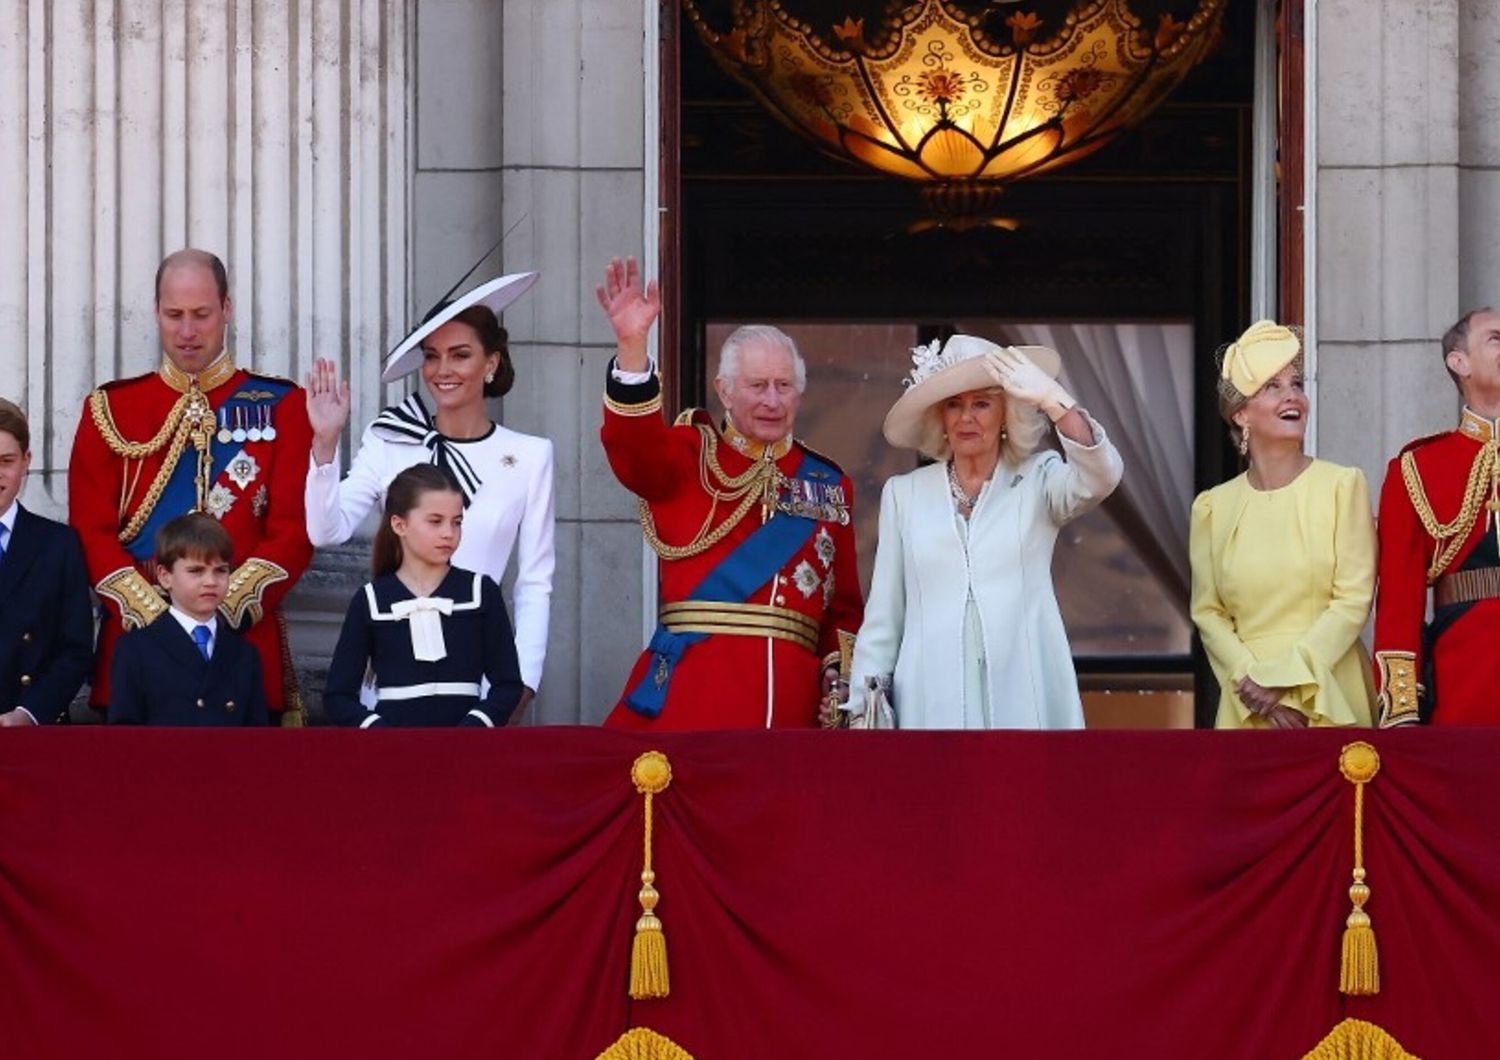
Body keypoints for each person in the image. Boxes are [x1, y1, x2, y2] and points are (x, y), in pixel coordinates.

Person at [596, 256, 864, 729]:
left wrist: (836, 682)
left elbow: (842, 608)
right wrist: (633, 346)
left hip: (792, 709)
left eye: (785, 386)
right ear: (723, 389)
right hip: (693, 699)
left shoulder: (827, 484)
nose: (773, 400)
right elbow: (632, 450)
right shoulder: (687, 455)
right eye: (757, 385)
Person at [68, 249, 314, 722]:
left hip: (241, 646)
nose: (186, 332)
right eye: (173, 315)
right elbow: (89, 529)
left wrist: (222, 607)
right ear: (156, 311)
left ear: (227, 309)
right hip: (136, 648)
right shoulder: (111, 409)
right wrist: (158, 617)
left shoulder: (283, 406)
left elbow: (293, 529)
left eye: (201, 315)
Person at [305, 272, 552, 714]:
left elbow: (534, 582)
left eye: (460, 355)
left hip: (479, 683)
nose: (443, 371)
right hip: (392, 681)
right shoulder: (389, 438)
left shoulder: (530, 456)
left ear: (490, 363)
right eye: (432, 356)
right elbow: (326, 531)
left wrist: (521, 685)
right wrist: (324, 445)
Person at [847, 334, 1123, 729]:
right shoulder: (904, 495)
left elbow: (1102, 475)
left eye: (982, 403)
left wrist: (1053, 401)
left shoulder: (1038, 480)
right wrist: (864, 707)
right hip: (929, 701)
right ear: (939, 418)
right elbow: (885, 616)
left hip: (1024, 695)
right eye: (954, 405)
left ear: (1007, 413)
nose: (966, 418)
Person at [1190, 321, 1376, 729]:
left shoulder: (1343, 486)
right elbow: (1208, 614)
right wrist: (1255, 688)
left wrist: (1283, 679)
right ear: (1241, 414)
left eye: (1295, 383)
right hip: (1247, 702)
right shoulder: (1212, 508)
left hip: (1328, 688)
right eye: (1272, 386)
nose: (1292, 395)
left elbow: (1353, 600)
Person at [1373, 308, 1500, 726]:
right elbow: (1399, 597)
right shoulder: (1419, 467)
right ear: (1458, 362)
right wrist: (1402, 710)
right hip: (1466, 680)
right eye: (1495, 339)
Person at [323, 464, 524, 727]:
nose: (448, 533)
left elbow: (508, 684)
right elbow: (338, 696)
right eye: (435, 521)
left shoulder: (480, 591)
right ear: (399, 524)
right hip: (396, 754)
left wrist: (474, 727)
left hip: (468, 753)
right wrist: (379, 731)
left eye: (457, 522)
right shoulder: (371, 600)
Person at [109, 514, 269, 725]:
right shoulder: (136, 649)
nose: (210, 582)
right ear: (165, 576)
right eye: (196, 571)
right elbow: (124, 735)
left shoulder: (244, 655)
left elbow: (256, 739)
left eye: (221, 571)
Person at [0, 399, 95, 726]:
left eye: (6, 461)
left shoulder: (58, 544)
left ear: (26, 461)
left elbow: (76, 649)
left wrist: (29, 714)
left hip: (30, 728)